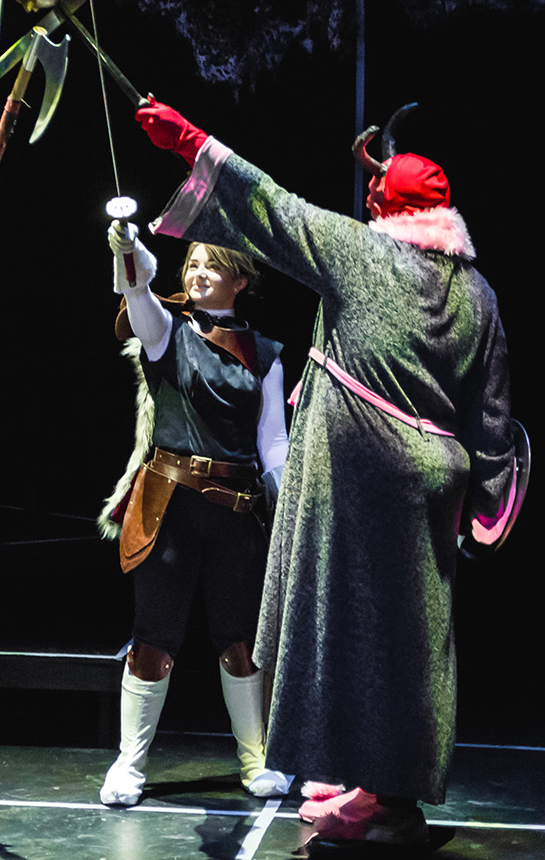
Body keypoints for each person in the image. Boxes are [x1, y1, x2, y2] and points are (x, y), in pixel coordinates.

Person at [132, 99, 518, 851]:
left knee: (346, 629)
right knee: (409, 645)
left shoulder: (361, 252)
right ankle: (374, 782)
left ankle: (387, 799)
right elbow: (492, 412)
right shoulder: (479, 293)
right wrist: (490, 502)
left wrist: (190, 141)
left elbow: (271, 204)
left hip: (360, 476)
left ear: (386, 207)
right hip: (434, 483)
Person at [96, 226, 292, 807]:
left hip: (235, 516)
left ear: (241, 279)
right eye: (192, 264)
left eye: (212, 265)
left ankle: (255, 762)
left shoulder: (267, 354)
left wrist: (287, 521)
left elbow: (273, 445)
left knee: (240, 643)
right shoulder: (167, 334)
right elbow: (139, 296)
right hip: (171, 511)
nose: (198, 272)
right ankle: (129, 767)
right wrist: (128, 250)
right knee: (154, 641)